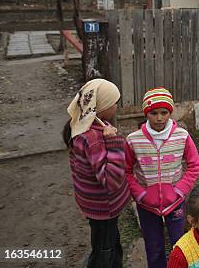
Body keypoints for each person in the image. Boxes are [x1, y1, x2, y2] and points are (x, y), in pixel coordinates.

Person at [125, 87, 199, 268]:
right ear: (146, 113)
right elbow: (126, 171)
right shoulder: (134, 140)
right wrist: (140, 195)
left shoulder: (182, 136)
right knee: (154, 247)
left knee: (180, 244)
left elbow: (194, 165)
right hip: (146, 206)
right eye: (153, 113)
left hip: (175, 203)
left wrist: (179, 191)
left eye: (164, 112)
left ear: (170, 112)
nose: (159, 118)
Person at [64, 78, 129, 268]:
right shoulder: (95, 139)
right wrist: (115, 142)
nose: (117, 105)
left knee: (110, 242)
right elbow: (111, 181)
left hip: (94, 204)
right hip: (104, 207)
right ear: (101, 107)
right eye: (114, 102)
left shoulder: (81, 126)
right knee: (104, 251)